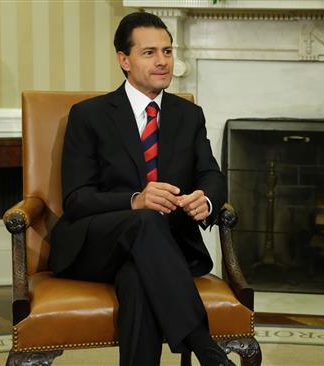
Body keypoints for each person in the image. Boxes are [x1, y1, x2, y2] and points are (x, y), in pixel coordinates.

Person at [49, 11, 234, 366]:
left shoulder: (187, 115)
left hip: (160, 253)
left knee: (137, 281)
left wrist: (206, 200)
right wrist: (135, 200)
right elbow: (76, 200)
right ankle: (206, 349)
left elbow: (212, 175)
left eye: (167, 50)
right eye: (149, 52)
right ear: (124, 60)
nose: (163, 61)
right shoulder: (89, 115)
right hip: (94, 245)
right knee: (147, 219)